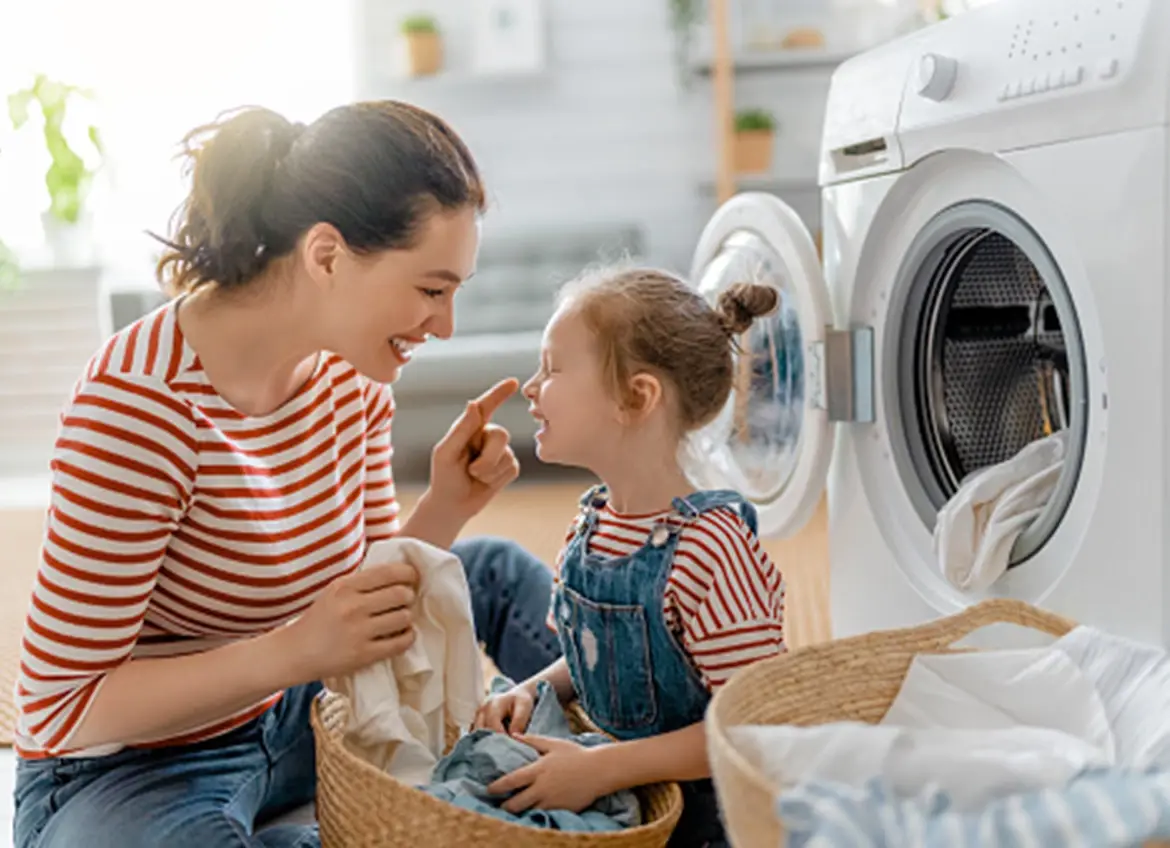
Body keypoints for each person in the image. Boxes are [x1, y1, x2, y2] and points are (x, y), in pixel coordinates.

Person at [11, 101, 557, 848]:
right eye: (432, 290)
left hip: (295, 713)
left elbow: (358, 604)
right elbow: (60, 707)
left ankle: (619, 762)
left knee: (487, 570)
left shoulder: (354, 377)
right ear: (326, 255)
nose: (445, 326)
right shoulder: (140, 405)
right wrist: (294, 650)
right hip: (135, 768)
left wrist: (446, 507)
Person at [470, 268, 789, 847]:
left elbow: (749, 723)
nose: (531, 386)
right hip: (618, 797)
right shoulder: (592, 525)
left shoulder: (711, 550)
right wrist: (532, 690)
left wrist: (601, 770)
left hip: (708, 822)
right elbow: (596, 655)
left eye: (554, 368)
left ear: (636, 397)